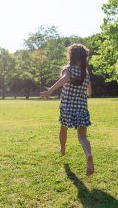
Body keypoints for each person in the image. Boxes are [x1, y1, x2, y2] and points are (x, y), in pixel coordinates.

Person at [40, 43, 94, 176]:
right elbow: (89, 92)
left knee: (63, 127)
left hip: (67, 107)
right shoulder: (85, 73)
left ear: (71, 56)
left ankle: (63, 149)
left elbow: (65, 79)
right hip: (81, 107)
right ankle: (88, 154)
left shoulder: (68, 69)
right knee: (82, 136)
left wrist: (50, 90)